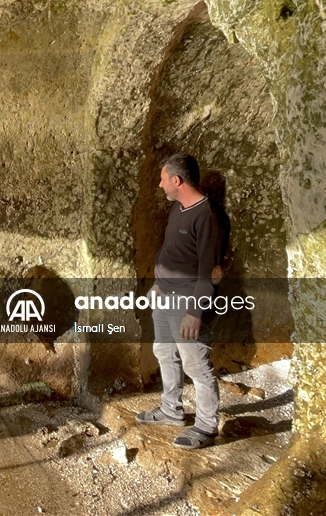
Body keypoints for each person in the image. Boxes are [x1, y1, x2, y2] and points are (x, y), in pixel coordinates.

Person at [136, 153, 228, 450]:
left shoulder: (208, 218)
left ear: (177, 180)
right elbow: (174, 253)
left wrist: (195, 312)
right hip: (166, 296)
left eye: (163, 179)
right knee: (164, 351)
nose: (160, 184)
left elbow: (207, 272)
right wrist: (159, 286)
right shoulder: (179, 208)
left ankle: (205, 426)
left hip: (188, 302)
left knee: (196, 364)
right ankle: (171, 410)